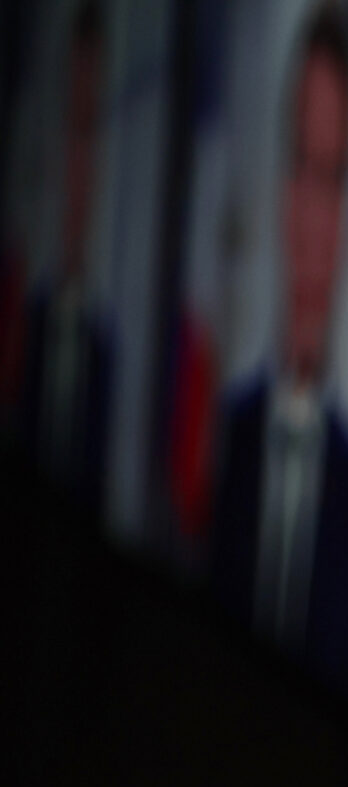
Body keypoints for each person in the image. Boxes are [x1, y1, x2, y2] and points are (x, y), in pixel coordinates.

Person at [204, 1, 348, 701]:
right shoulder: (221, 437)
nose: (314, 224)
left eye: (334, 179)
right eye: (304, 170)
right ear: (280, 194)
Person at [17, 0, 114, 512]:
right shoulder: (17, 326)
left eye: (93, 129)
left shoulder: (113, 358)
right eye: (75, 127)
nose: (82, 163)